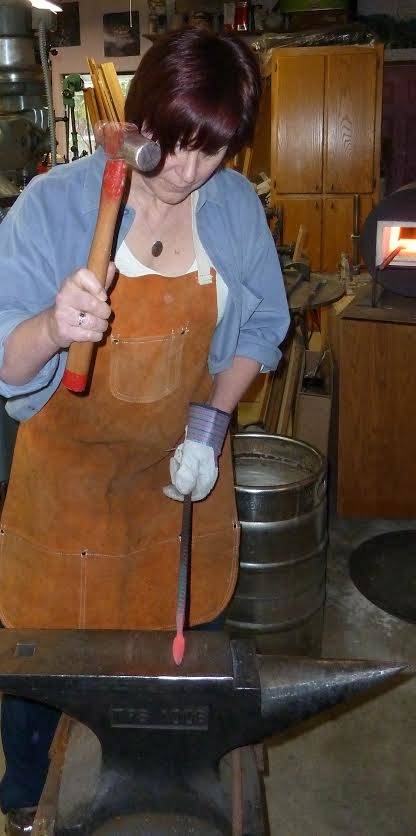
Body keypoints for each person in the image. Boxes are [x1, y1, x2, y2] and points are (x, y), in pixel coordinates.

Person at [0, 26, 290, 833]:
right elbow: (6, 360)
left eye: (216, 152)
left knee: (175, 675)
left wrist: (210, 419)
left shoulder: (231, 208)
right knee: (37, 689)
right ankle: (24, 804)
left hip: (177, 494)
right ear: (140, 117)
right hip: (66, 500)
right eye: (177, 145)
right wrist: (53, 327)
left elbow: (265, 324)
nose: (190, 173)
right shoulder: (53, 207)